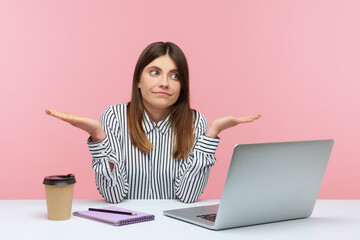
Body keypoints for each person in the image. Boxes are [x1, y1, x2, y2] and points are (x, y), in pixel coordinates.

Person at [45, 41, 261, 203]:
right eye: (155, 73)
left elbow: (188, 196)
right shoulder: (113, 117)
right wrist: (99, 138)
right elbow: (114, 196)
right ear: (139, 80)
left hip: (175, 229)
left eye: (175, 76)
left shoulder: (196, 123)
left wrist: (211, 134)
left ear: (183, 86)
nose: (165, 83)